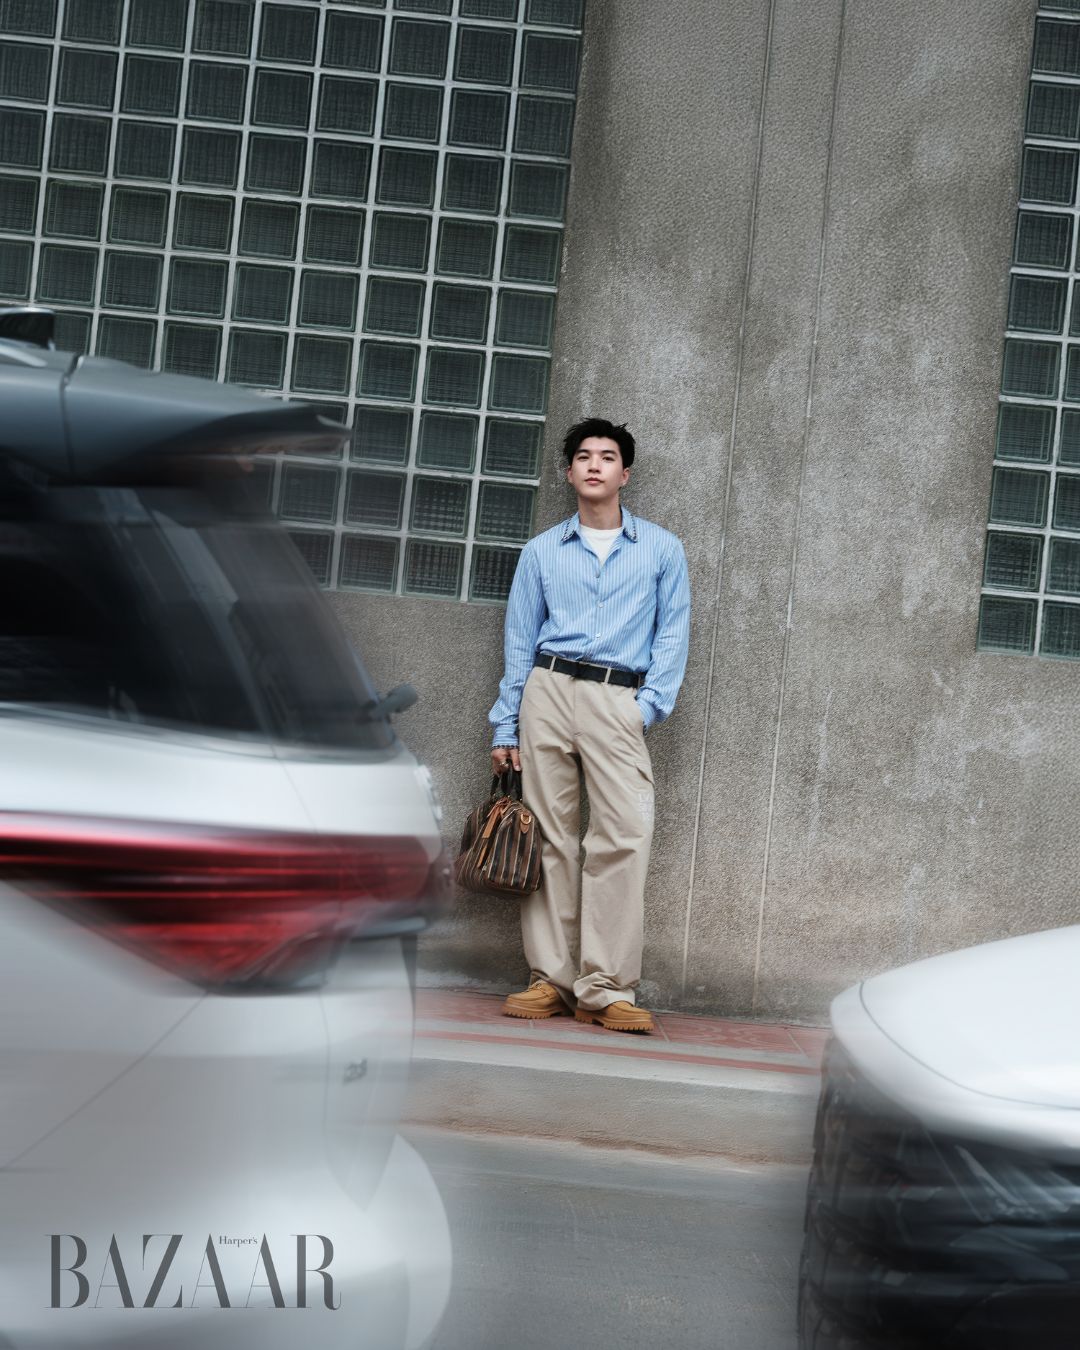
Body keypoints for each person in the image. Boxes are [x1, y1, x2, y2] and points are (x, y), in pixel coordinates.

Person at [488, 417, 690, 1033]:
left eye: (607, 456)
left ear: (625, 474)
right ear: (568, 472)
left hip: (617, 698)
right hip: (547, 691)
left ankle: (605, 987)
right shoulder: (542, 551)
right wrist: (506, 726)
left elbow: (673, 634)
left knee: (624, 835)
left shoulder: (661, 549)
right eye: (583, 456)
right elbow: (519, 641)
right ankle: (550, 978)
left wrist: (645, 707)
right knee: (550, 837)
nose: (594, 464)